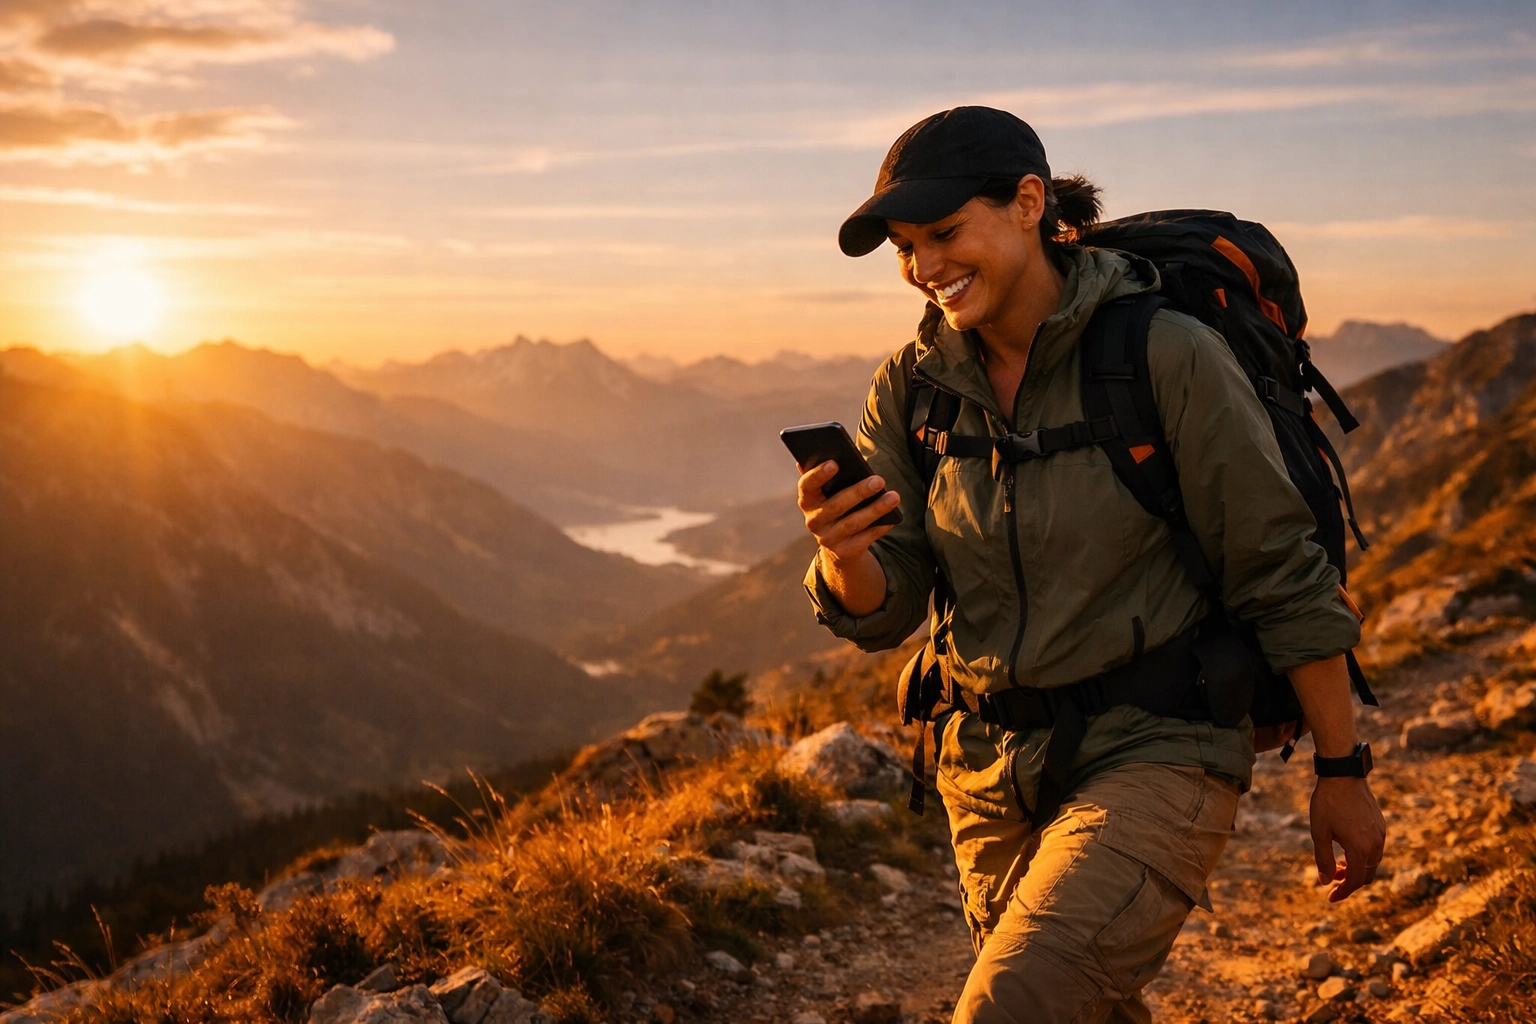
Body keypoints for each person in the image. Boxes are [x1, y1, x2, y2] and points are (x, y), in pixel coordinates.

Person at [797, 106, 1387, 1023]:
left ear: (1028, 203)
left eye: (946, 233)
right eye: (906, 248)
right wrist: (845, 553)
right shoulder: (912, 385)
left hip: (1160, 745)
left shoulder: (1161, 353)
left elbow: (1279, 571)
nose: (924, 269)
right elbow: (886, 608)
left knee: (1012, 1007)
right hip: (988, 768)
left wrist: (1342, 771)